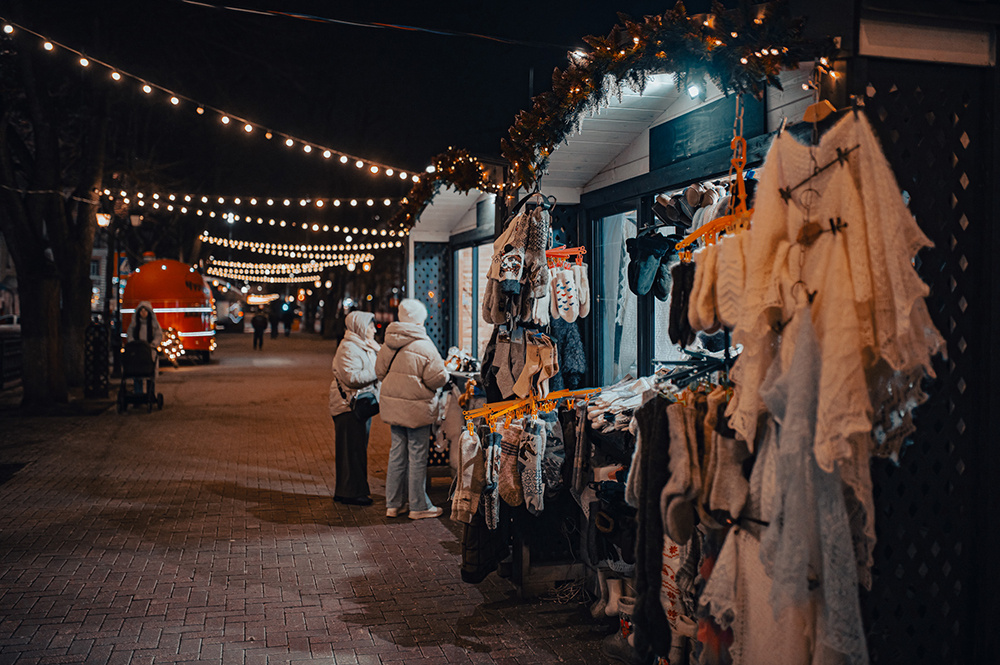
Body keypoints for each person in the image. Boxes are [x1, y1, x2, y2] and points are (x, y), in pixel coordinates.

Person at [376, 299, 449, 519]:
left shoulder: (389, 343)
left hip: (394, 407)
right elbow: (438, 379)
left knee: (397, 454)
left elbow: (379, 373)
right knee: (417, 455)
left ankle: (393, 504)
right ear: (419, 320)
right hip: (417, 409)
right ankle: (418, 506)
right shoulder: (424, 346)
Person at [329, 311, 381, 506]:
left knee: (353, 449)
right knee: (352, 451)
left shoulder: (364, 345)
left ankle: (344, 490)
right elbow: (352, 378)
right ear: (360, 327)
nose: (374, 330)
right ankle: (353, 493)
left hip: (359, 405)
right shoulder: (348, 348)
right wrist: (377, 371)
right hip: (348, 406)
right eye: (370, 326)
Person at [126, 301, 162, 394]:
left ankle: (150, 393)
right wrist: (133, 343)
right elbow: (130, 335)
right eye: (141, 311)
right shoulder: (134, 325)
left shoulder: (153, 325)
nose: (143, 313)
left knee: (150, 374)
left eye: (145, 311)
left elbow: (158, 335)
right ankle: (138, 393)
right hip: (137, 352)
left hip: (149, 352)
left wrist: (153, 344)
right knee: (137, 374)